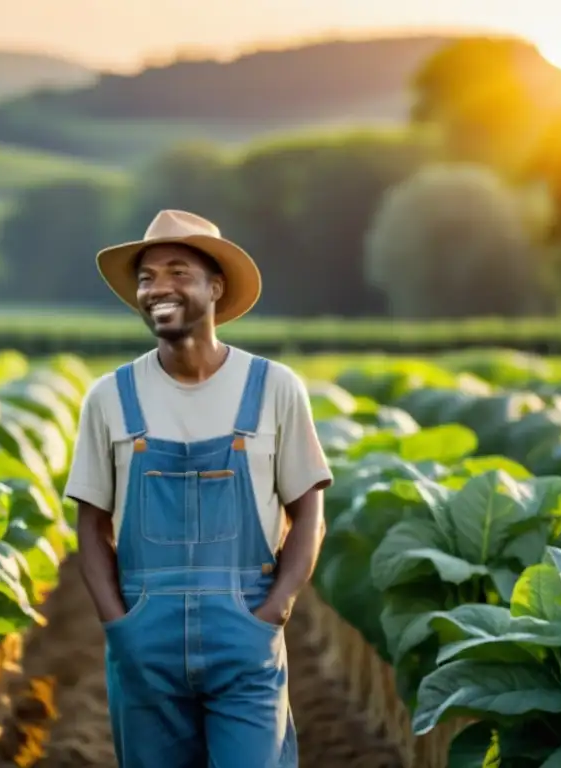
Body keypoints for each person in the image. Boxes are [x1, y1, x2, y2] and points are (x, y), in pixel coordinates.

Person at [64, 209, 333, 768]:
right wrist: (120, 626)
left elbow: (308, 513)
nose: (158, 287)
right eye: (146, 277)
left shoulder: (274, 388)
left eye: (178, 272)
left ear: (216, 287)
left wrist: (275, 611)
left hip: (245, 629)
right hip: (144, 634)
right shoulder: (109, 397)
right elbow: (90, 526)